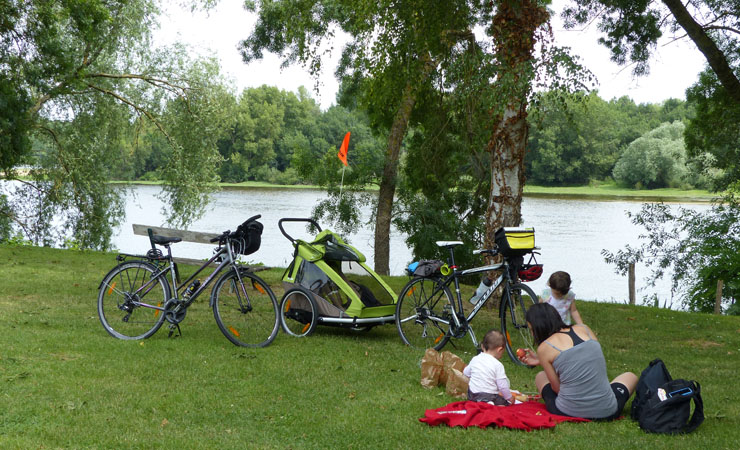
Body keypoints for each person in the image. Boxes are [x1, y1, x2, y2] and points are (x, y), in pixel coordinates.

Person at [518, 303, 637, 420]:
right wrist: (541, 361)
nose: (532, 334)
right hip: (608, 410)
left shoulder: (544, 348)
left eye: (531, 329)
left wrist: (543, 360)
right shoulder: (584, 328)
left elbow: (556, 389)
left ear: (539, 327)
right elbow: (583, 360)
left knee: (541, 376)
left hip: (568, 411)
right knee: (630, 376)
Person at [463, 329, 514, 405]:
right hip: (489, 396)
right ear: (500, 350)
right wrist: (509, 397)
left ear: (482, 346)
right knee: (505, 403)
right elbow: (502, 386)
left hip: (472, 395)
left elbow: (466, 373)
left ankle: (480, 402)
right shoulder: (498, 365)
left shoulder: (475, 359)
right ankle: (490, 404)